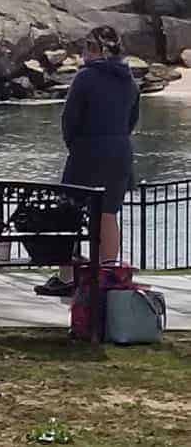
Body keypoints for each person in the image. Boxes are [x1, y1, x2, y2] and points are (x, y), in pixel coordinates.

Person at [36, 25, 140, 297]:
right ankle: (108, 274)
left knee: (69, 212)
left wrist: (76, 145)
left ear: (95, 50)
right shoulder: (129, 80)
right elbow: (132, 120)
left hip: (88, 150)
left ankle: (68, 276)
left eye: (86, 47)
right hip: (119, 151)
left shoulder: (85, 78)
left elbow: (70, 119)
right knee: (108, 214)